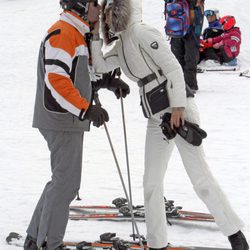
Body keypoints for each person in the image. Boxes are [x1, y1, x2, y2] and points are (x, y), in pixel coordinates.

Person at [91, 0, 249, 250]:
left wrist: (178, 107)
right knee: (151, 182)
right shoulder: (120, 45)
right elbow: (100, 65)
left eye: (109, 12)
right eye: (104, 15)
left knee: (200, 177)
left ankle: (235, 234)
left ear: (122, 10)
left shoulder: (143, 32)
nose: (106, 18)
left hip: (179, 111)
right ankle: (157, 243)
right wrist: (94, 35)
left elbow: (174, 67)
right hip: (156, 118)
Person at [25, 0, 130, 249]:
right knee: (66, 183)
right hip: (61, 119)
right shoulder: (62, 33)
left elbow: (78, 75)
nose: (99, 8)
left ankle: (35, 237)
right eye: (94, 3)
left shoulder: (76, 33)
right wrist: (86, 109)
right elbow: (57, 81)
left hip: (66, 118)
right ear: (81, 6)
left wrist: (106, 82)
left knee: (61, 181)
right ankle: (49, 242)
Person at [166, 0, 205, 91]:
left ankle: (190, 85)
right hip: (176, 27)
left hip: (192, 27)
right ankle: (179, 84)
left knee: (190, 57)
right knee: (177, 58)